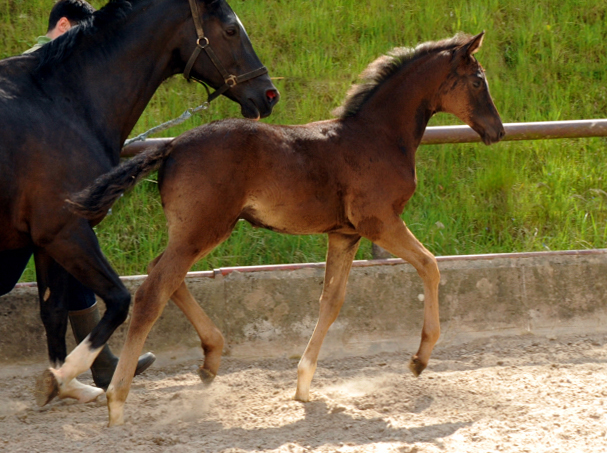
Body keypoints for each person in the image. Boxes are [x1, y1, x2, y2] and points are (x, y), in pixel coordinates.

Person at [20, 0, 156, 389]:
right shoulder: (32, 70)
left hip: (40, 204)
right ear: (63, 25)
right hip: (21, 204)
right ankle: (90, 363)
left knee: (70, 247)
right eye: (81, 35)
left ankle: (91, 363)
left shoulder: (59, 80)